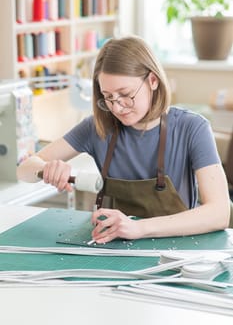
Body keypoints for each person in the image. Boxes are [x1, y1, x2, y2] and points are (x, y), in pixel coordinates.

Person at [17, 35, 232, 244]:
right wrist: (44, 169)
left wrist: (138, 228)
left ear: (153, 80)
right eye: (108, 97)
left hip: (177, 251)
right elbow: (24, 169)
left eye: (126, 94)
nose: (117, 107)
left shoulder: (192, 128)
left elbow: (219, 212)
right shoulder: (97, 127)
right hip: (111, 249)